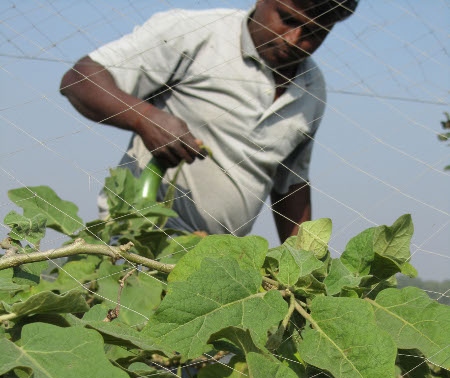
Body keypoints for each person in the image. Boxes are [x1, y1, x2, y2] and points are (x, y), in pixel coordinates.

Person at [60, 0, 358, 241]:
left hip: (216, 263)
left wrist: (306, 265)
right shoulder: (196, 33)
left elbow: (290, 183)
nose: (294, 40)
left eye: (314, 33)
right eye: (288, 19)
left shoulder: (312, 87)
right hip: (139, 241)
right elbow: (79, 79)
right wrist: (146, 119)